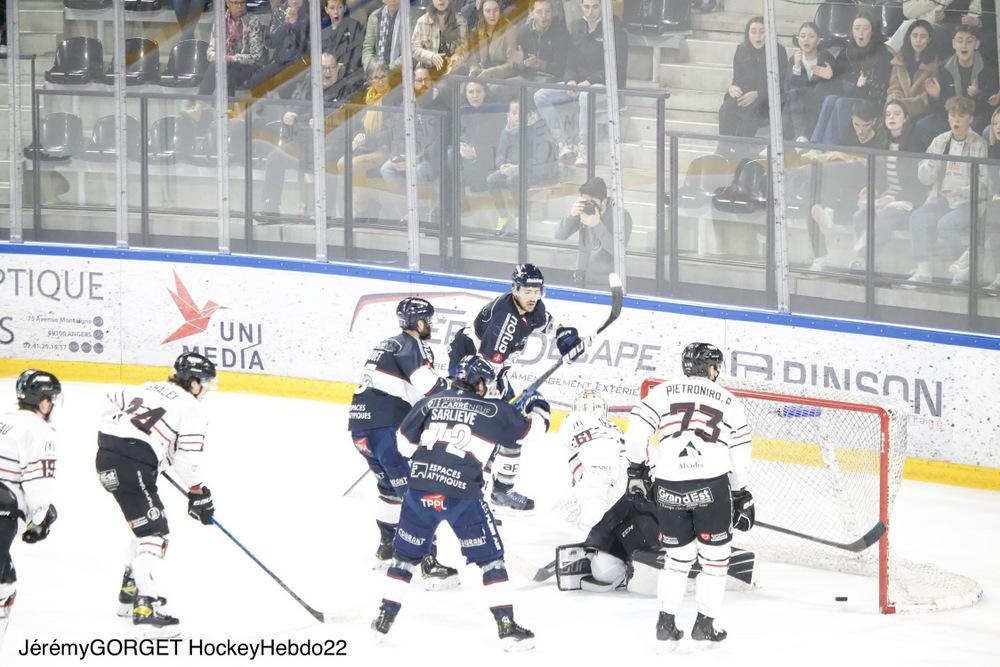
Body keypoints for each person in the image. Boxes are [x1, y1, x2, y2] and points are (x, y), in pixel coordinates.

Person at [370, 355, 551, 651]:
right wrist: (538, 405)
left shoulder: (430, 402)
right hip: (462, 496)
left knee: (403, 559)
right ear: (479, 383)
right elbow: (535, 432)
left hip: (419, 490)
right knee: (491, 561)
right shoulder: (495, 409)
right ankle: (507, 627)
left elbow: (403, 445)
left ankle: (383, 618)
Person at [624, 343, 754, 644]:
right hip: (711, 485)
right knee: (715, 559)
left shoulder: (662, 392)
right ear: (710, 368)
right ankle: (705, 625)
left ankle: (665, 623)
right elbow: (740, 455)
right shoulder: (729, 400)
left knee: (677, 558)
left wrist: (637, 471)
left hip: (668, 483)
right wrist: (740, 493)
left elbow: (636, 433)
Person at [95, 352, 219, 632]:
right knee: (154, 533)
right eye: (205, 383)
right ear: (194, 382)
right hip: (133, 465)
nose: (207, 389)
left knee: (144, 525)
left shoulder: (148, 387)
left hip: (105, 457)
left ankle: (129, 592)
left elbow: (109, 400)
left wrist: (136, 444)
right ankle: (146, 606)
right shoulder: (192, 408)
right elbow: (187, 460)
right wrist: (198, 491)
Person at [447, 263, 585, 512]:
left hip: (491, 370)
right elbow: (486, 371)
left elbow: (548, 323)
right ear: (515, 289)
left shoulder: (533, 306)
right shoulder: (505, 322)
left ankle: (501, 491)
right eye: (527, 291)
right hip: (471, 374)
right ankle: (467, 492)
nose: (533, 297)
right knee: (487, 429)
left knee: (510, 430)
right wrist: (498, 405)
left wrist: (564, 335)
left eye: (537, 291)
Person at [347, 297, 460, 587]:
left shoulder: (387, 344)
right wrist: (457, 390)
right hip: (386, 428)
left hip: (360, 427)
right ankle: (428, 561)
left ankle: (387, 547)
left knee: (389, 489)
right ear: (418, 323)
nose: (430, 325)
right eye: (428, 321)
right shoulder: (412, 345)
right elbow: (428, 387)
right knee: (417, 493)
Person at [0, 371, 61, 644]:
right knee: (3, 587)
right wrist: (41, 518)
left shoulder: (4, 418)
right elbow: (39, 487)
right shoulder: (40, 431)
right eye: (51, 399)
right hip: (3, 510)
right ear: (43, 402)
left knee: (6, 581)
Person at [259, 52, 353, 221]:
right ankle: (270, 207)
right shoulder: (306, 87)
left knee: (326, 160)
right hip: (302, 142)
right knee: (275, 157)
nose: (328, 72)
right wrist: (286, 120)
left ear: (337, 69)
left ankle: (326, 213)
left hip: (330, 144)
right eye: (323, 68)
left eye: (331, 68)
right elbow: (292, 111)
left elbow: (348, 123)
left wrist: (325, 125)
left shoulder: (345, 89)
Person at [532, 0, 627, 167]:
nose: (591, 12)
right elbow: (569, 62)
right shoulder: (577, 27)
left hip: (605, 86)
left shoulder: (615, 31)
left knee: (585, 96)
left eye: (595, 7)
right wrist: (570, 80)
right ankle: (563, 143)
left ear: (603, 8)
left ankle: (585, 149)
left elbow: (616, 69)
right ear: (581, 7)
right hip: (579, 83)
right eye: (587, 7)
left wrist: (589, 81)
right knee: (541, 95)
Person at [908, 95, 990, 283]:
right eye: (953, 115)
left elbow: (984, 184)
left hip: (968, 202)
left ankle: (964, 267)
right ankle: (923, 270)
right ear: (948, 118)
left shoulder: (978, 144)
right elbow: (924, 179)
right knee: (917, 218)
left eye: (961, 116)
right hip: (942, 200)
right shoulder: (939, 141)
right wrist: (929, 167)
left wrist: (962, 191)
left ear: (970, 119)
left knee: (946, 224)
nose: (956, 120)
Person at [849, 99, 931, 270]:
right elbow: (881, 177)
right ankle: (870, 261)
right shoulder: (882, 141)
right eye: (888, 114)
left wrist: (891, 199)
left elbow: (916, 185)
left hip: (909, 200)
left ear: (905, 118)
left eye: (896, 114)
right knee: (859, 216)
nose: (891, 117)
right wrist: (873, 190)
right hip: (888, 198)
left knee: (882, 216)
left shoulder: (914, 143)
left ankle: (866, 258)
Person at [810, 11, 893, 145]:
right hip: (853, 95)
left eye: (865, 29)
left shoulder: (882, 53)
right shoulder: (847, 51)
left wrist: (865, 84)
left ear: (872, 31)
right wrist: (831, 76)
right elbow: (841, 80)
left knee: (841, 103)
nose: (861, 33)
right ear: (852, 31)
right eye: (857, 28)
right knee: (830, 99)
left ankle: (832, 146)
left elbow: (884, 86)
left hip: (873, 101)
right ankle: (815, 144)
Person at [487, 98, 559, 237]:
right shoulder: (505, 132)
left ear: (528, 114)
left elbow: (540, 158)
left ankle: (520, 215)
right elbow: (500, 154)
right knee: (491, 180)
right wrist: (502, 166)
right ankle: (503, 216)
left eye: (521, 113)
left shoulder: (535, 131)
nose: (518, 116)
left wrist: (518, 167)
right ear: (508, 115)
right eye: (514, 113)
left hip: (531, 171)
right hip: (511, 170)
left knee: (513, 180)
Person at [717, 16, 788, 150]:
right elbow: (737, 78)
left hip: (767, 98)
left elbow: (781, 83)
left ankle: (740, 151)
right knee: (726, 110)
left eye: (762, 32)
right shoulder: (741, 49)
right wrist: (732, 87)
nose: (758, 36)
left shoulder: (778, 51)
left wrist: (758, 94)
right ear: (748, 33)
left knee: (750, 114)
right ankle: (724, 149)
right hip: (744, 94)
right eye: (753, 32)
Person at [919, 26, 999, 136]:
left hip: (975, 116)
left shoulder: (988, 68)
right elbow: (939, 107)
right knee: (923, 125)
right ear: (953, 44)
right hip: (952, 116)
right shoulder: (944, 68)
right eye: (960, 41)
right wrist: (937, 96)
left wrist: (978, 94)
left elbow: (991, 105)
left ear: (976, 44)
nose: (964, 45)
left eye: (969, 41)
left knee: (973, 127)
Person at [555, 176, 633, 287]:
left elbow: (618, 252)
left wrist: (597, 225)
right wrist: (572, 215)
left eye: (593, 203)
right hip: (582, 279)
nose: (589, 206)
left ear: (604, 202)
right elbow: (559, 235)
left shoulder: (621, 216)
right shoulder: (583, 210)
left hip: (607, 283)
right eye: (586, 202)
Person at [199, 0, 266, 99]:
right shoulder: (220, 21)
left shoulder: (253, 21)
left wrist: (231, 58)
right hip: (225, 63)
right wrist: (216, 56)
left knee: (228, 71)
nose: (240, 6)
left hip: (248, 66)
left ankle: (223, 104)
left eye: (242, 2)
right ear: (228, 3)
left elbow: (256, 57)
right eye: (236, 3)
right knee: (216, 66)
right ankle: (201, 102)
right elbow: (211, 50)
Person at [247, 0, 311, 99]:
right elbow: (271, 42)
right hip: (280, 61)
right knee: (255, 80)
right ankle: (258, 106)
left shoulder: (311, 13)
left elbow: (307, 45)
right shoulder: (279, 12)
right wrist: (286, 24)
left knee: (283, 83)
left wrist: (295, 24)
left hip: (301, 61)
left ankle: (286, 106)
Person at [786, 21, 835, 142]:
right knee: (794, 94)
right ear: (798, 40)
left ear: (818, 41)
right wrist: (797, 67)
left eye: (811, 36)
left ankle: (809, 137)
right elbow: (788, 87)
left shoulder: (826, 58)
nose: (806, 40)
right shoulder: (793, 60)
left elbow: (836, 87)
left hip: (819, 101)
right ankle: (801, 136)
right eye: (802, 36)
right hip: (800, 104)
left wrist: (831, 76)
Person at [886, 20, 940, 122]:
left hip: (922, 113)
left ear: (929, 39)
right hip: (898, 111)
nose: (918, 40)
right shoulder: (899, 59)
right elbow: (894, 88)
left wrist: (903, 106)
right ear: (909, 37)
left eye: (923, 37)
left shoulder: (935, 64)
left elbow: (927, 98)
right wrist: (896, 104)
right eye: (915, 36)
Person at [512, 0, 570, 82]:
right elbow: (517, 69)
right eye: (539, 12)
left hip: (550, 79)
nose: (544, 16)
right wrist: (520, 63)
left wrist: (539, 64)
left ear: (552, 12)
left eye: (548, 11)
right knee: (497, 87)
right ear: (531, 13)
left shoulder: (561, 33)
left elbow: (561, 68)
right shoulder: (523, 32)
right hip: (527, 77)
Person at [411, 0, 469, 75]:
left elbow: (464, 50)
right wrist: (431, 56)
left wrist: (452, 62)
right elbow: (413, 48)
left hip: (453, 73)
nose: (441, 0)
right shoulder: (422, 21)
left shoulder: (461, 22)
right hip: (427, 73)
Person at [321, 0, 367, 90]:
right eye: (332, 8)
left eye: (339, 7)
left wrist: (342, 69)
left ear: (345, 8)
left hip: (350, 81)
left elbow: (358, 57)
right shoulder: (322, 34)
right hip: (329, 81)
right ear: (326, 10)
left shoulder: (355, 27)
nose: (336, 12)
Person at [467, 0, 518, 79]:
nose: (492, 15)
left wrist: (491, 72)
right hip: (481, 75)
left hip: (502, 77)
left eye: (496, 10)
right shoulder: (475, 31)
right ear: (482, 13)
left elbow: (511, 64)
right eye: (488, 11)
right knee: (468, 85)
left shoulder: (510, 30)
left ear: (500, 11)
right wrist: (474, 69)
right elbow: (473, 60)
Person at [362, 0, 405, 74]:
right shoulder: (374, 16)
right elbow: (368, 48)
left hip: (403, 74)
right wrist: (371, 69)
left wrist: (387, 70)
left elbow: (412, 52)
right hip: (376, 74)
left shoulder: (412, 15)